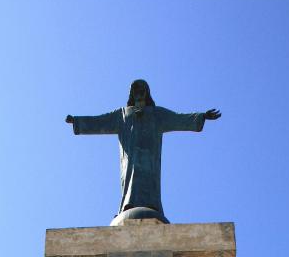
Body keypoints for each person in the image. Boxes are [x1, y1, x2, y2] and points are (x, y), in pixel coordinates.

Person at [66, 79, 221, 222]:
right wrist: (77, 121)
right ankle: (128, 205)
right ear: (132, 93)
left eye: (142, 89)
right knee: (130, 180)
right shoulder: (123, 114)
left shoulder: (156, 113)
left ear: (147, 92)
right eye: (136, 89)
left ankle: (152, 206)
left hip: (150, 158)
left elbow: (178, 119)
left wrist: (202, 116)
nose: (139, 92)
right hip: (130, 158)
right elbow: (100, 121)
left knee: (150, 181)